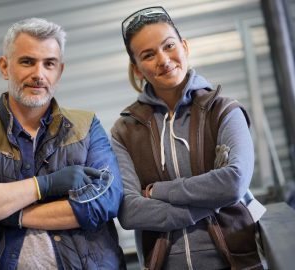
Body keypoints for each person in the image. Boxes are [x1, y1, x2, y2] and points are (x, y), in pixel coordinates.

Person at [0, 18, 126, 270]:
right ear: (5, 67)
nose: (39, 74)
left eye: (49, 64)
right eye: (27, 61)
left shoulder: (87, 126)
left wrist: (5, 212)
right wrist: (44, 186)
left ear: (59, 71)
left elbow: (104, 203)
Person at [111, 6, 263, 270]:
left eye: (168, 46)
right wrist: (209, 203)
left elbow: (234, 183)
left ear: (184, 46)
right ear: (137, 69)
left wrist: (160, 191)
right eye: (148, 55)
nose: (163, 59)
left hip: (238, 263)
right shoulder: (125, 131)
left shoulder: (223, 110)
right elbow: (130, 210)